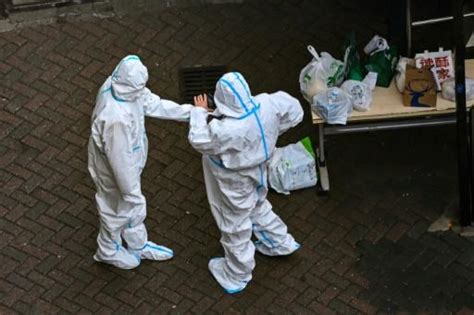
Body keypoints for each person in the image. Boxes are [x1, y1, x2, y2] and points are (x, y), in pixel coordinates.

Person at [188, 72, 303, 293]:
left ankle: (237, 274)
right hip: (260, 169)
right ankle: (279, 242)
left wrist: (199, 113)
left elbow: (199, 140)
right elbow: (295, 111)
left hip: (234, 180)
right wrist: (276, 131)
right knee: (258, 205)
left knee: (234, 222)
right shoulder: (267, 103)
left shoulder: (226, 129)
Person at [88, 55, 193, 269]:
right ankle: (107, 250)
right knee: (115, 209)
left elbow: (152, 103)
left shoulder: (119, 85)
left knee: (128, 207)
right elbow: (120, 163)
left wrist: (190, 113)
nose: (142, 92)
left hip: (128, 163)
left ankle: (137, 244)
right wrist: (132, 193)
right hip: (115, 172)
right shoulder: (114, 118)